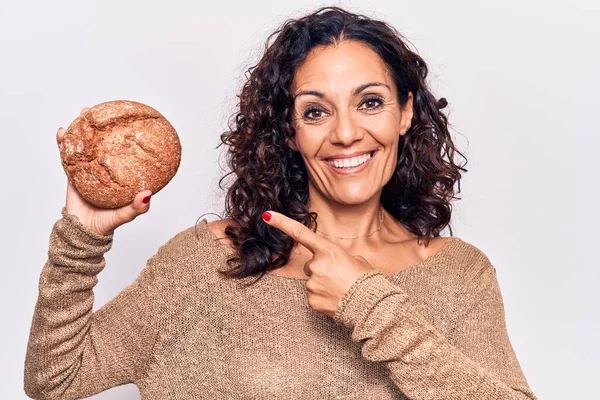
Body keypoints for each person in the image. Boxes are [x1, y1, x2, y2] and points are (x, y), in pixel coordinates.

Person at [24, 6, 538, 400]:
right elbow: (55, 379)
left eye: (371, 103)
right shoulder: (203, 262)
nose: (345, 133)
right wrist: (83, 237)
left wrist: (367, 303)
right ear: (290, 131)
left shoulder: (460, 276)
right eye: (315, 111)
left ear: (405, 113)